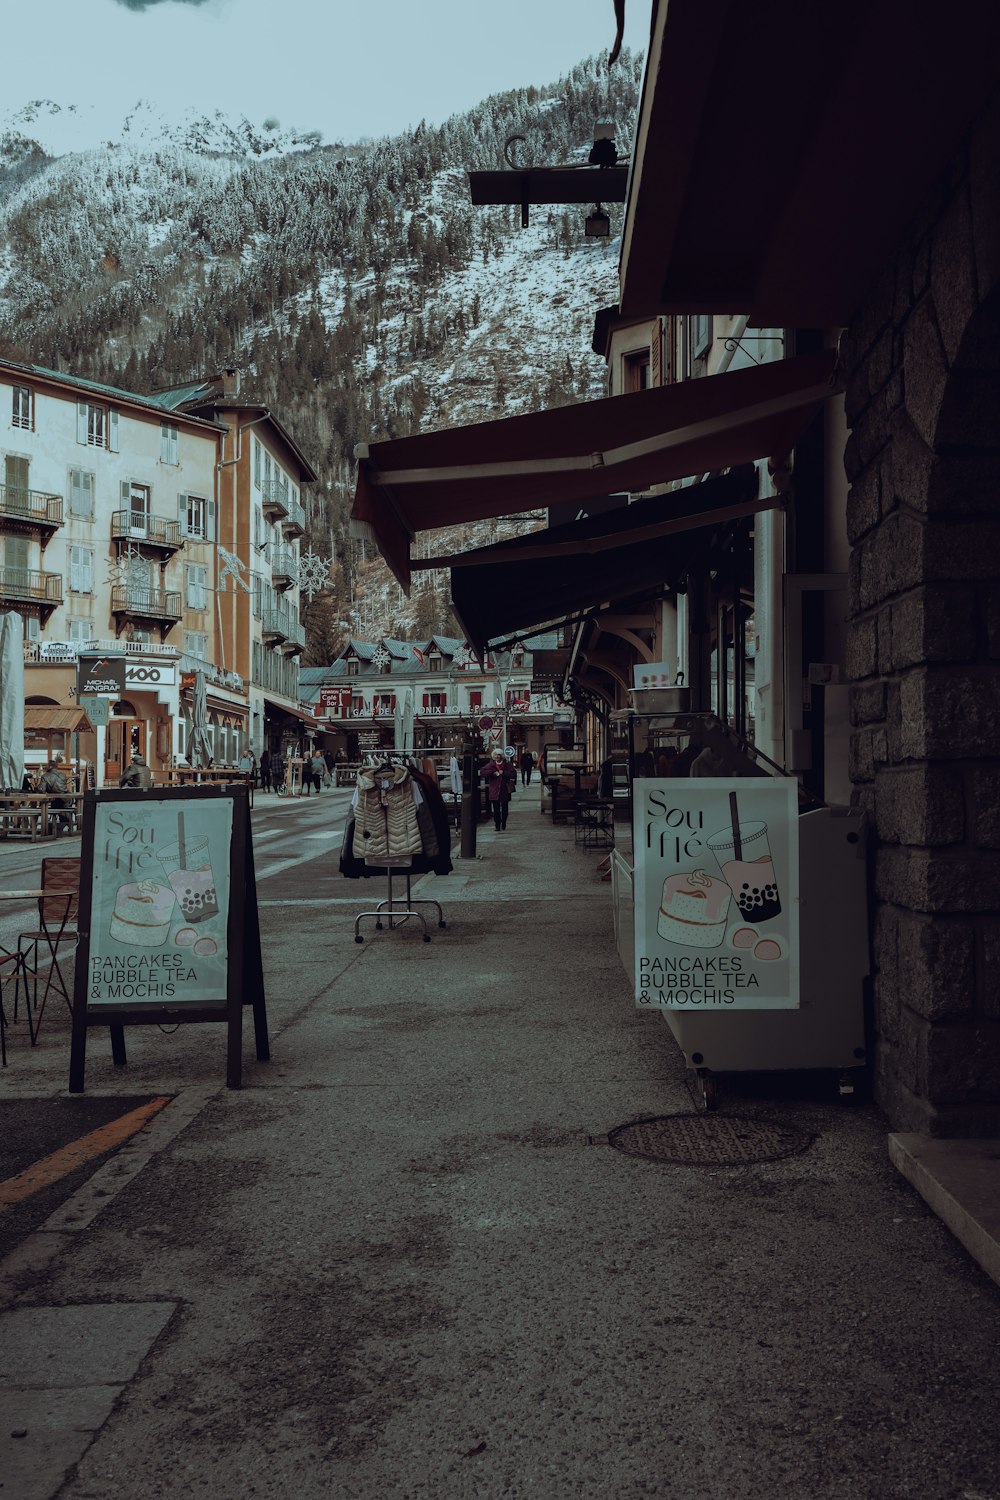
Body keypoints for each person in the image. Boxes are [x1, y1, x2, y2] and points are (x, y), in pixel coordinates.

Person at [480, 747, 517, 831]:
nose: (497, 756)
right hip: (494, 791)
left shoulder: (507, 764)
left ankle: (503, 822)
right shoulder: (491, 765)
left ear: (501, 756)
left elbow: (513, 774)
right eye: (496, 755)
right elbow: (482, 772)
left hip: (504, 790)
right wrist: (492, 773)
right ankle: (497, 824)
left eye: (499, 755)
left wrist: (503, 773)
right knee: (496, 810)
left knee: (505, 809)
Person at [38, 759, 72, 834]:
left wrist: (37, 788)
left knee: (52, 806)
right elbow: (63, 787)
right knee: (61, 807)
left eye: (46, 765)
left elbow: (42, 790)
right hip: (66, 800)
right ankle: (65, 823)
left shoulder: (45, 776)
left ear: (50, 767)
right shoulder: (63, 775)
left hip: (54, 801)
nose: (45, 767)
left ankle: (48, 829)